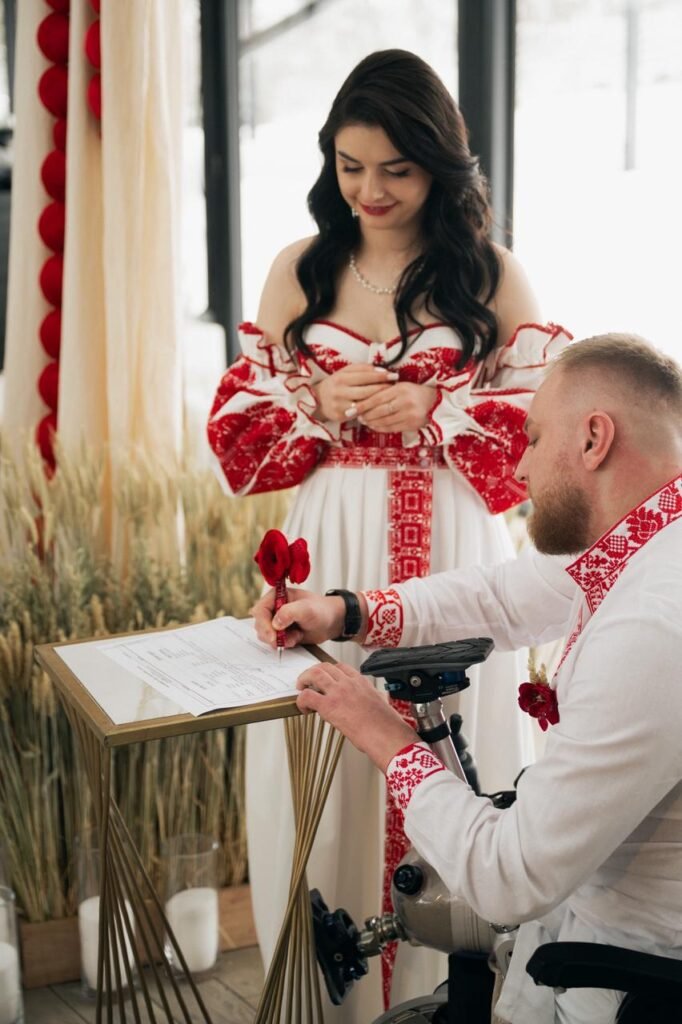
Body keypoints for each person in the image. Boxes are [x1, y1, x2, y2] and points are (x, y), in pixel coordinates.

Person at [207, 48, 570, 1017]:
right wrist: (318, 402)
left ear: (438, 165)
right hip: (330, 533)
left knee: (455, 745)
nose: (369, 190)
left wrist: (440, 412)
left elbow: (540, 432)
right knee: (325, 742)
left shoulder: (491, 274)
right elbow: (238, 436)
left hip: (455, 539)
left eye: (396, 170)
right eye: (349, 166)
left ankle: (446, 992)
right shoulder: (300, 268)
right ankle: (329, 993)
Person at [252, 334, 682, 1024]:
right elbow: (504, 596)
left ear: (594, 439)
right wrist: (344, 611)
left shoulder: (654, 627)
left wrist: (383, 735)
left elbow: (508, 879)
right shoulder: (649, 540)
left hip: (625, 979)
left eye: (533, 438)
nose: (520, 464)